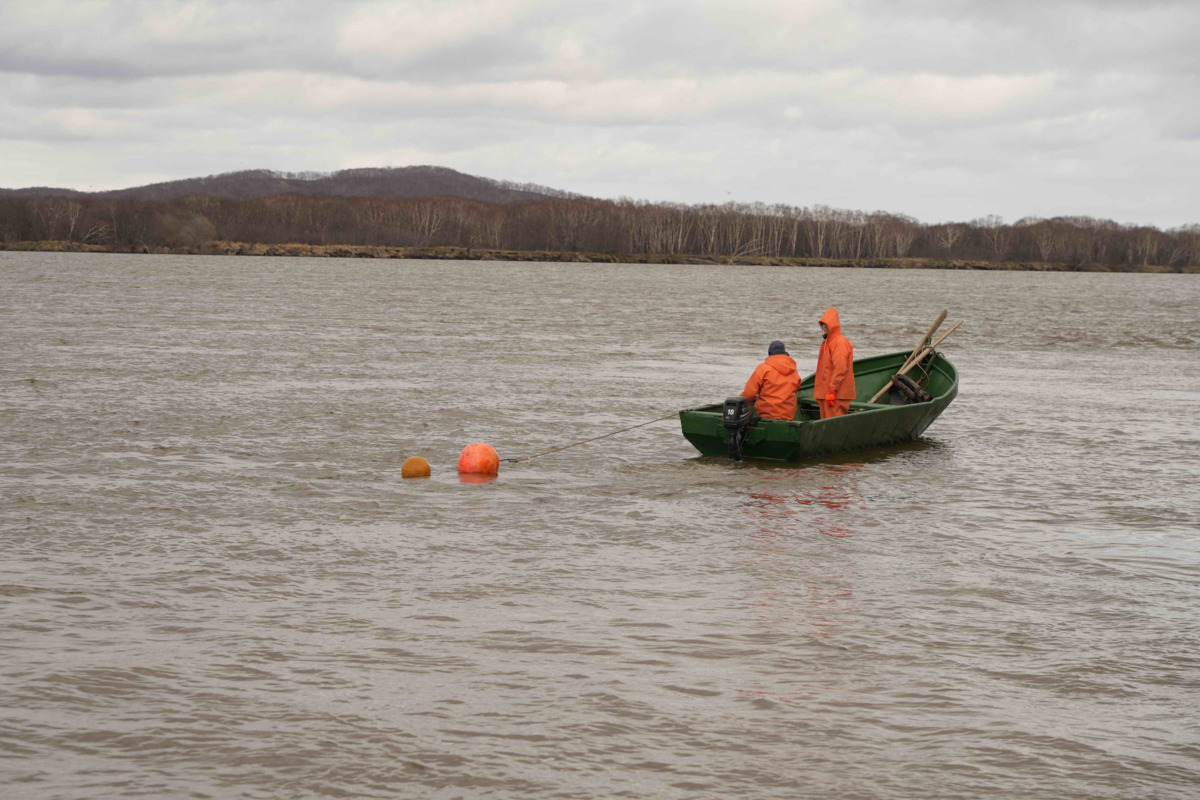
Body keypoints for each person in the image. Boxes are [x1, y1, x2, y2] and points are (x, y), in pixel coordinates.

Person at [741, 340, 801, 420]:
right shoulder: (793, 370)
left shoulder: (763, 368)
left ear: (770, 354)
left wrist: (739, 402)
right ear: (785, 353)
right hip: (787, 416)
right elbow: (796, 388)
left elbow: (749, 393)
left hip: (766, 414)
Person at [814, 308, 855, 419]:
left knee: (833, 426)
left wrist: (831, 390)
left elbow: (840, 368)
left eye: (826, 324)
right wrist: (821, 392)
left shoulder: (840, 342)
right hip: (827, 394)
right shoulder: (827, 342)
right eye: (822, 324)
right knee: (827, 424)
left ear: (833, 325)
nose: (823, 327)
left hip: (836, 394)